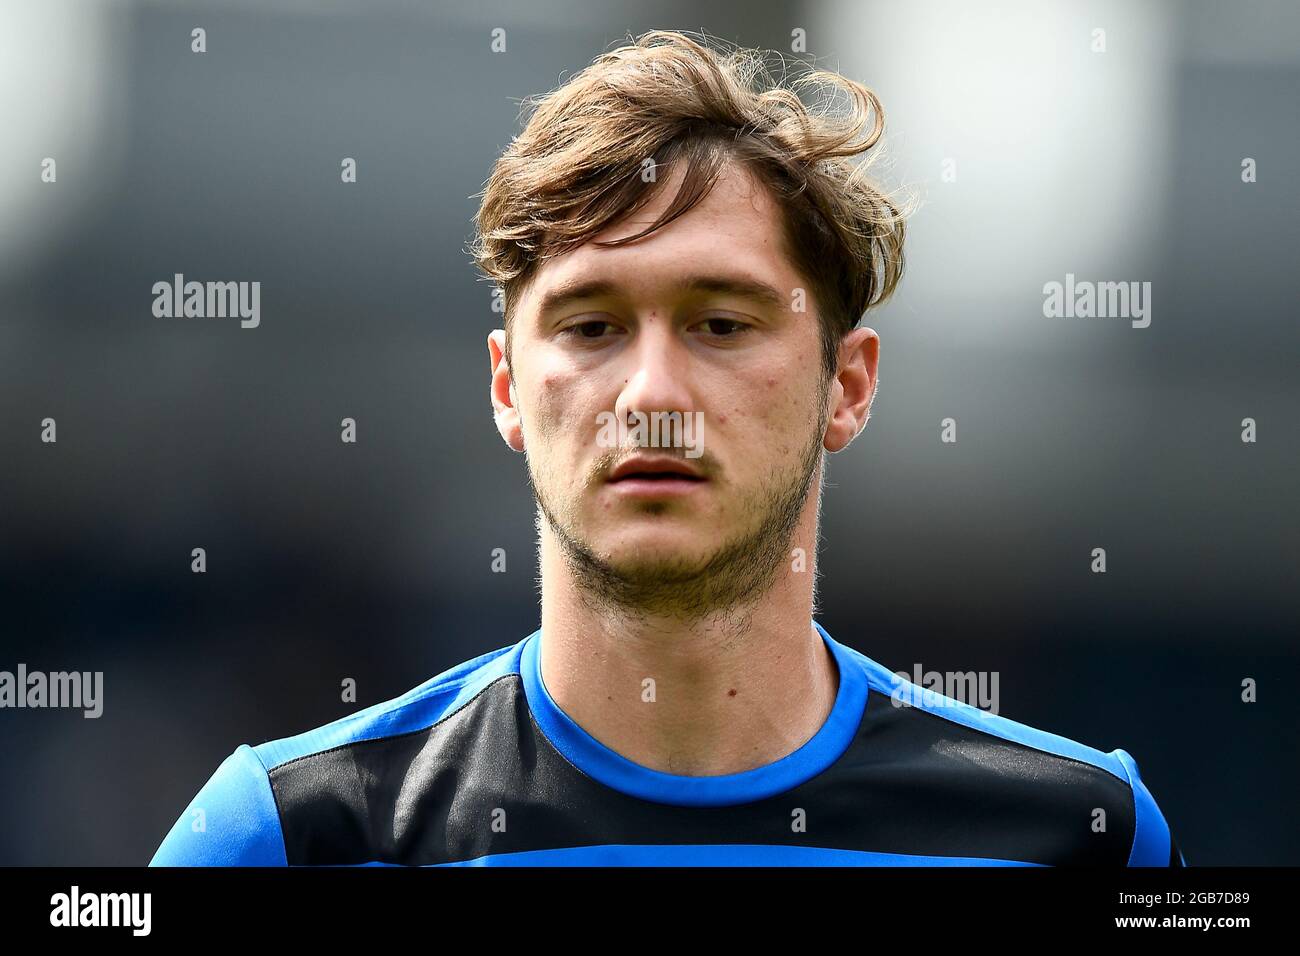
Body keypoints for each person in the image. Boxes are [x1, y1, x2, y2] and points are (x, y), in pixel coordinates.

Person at [151, 29, 1183, 867]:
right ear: (509, 388)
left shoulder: (1081, 833)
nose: (651, 393)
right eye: (591, 326)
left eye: (721, 323)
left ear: (847, 384)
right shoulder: (294, 834)